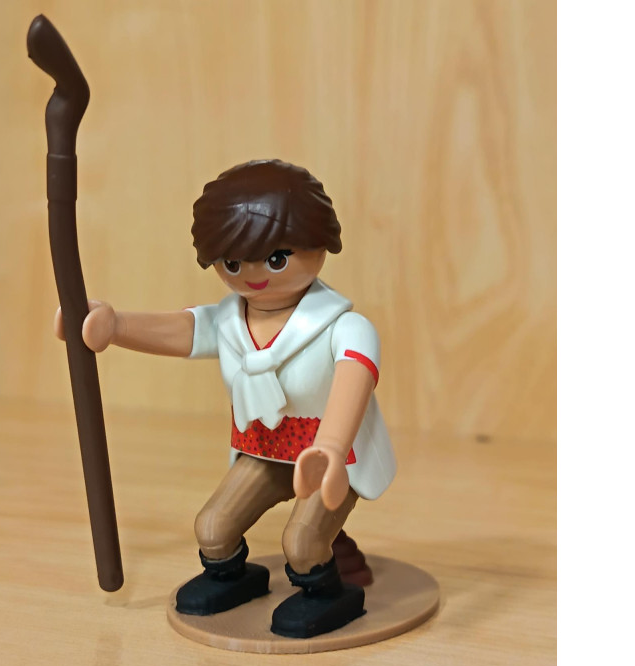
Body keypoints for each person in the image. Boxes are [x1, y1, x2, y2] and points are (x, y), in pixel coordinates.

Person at [56, 159, 396, 638]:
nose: (253, 275)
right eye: (233, 263)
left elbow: (353, 382)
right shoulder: (229, 320)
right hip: (263, 449)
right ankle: (231, 578)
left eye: (276, 258)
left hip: (329, 458)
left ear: (320, 244)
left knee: (302, 541)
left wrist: (333, 447)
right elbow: (182, 330)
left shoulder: (344, 327)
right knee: (213, 527)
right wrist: (114, 326)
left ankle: (324, 593)